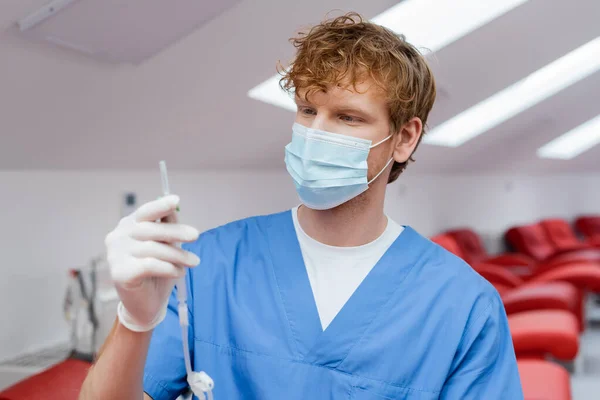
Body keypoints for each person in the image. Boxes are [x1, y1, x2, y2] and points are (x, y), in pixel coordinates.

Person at [79, 12, 523, 400]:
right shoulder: (208, 265)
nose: (316, 134)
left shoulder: (462, 306)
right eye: (308, 111)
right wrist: (135, 320)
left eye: (347, 117)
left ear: (404, 138)